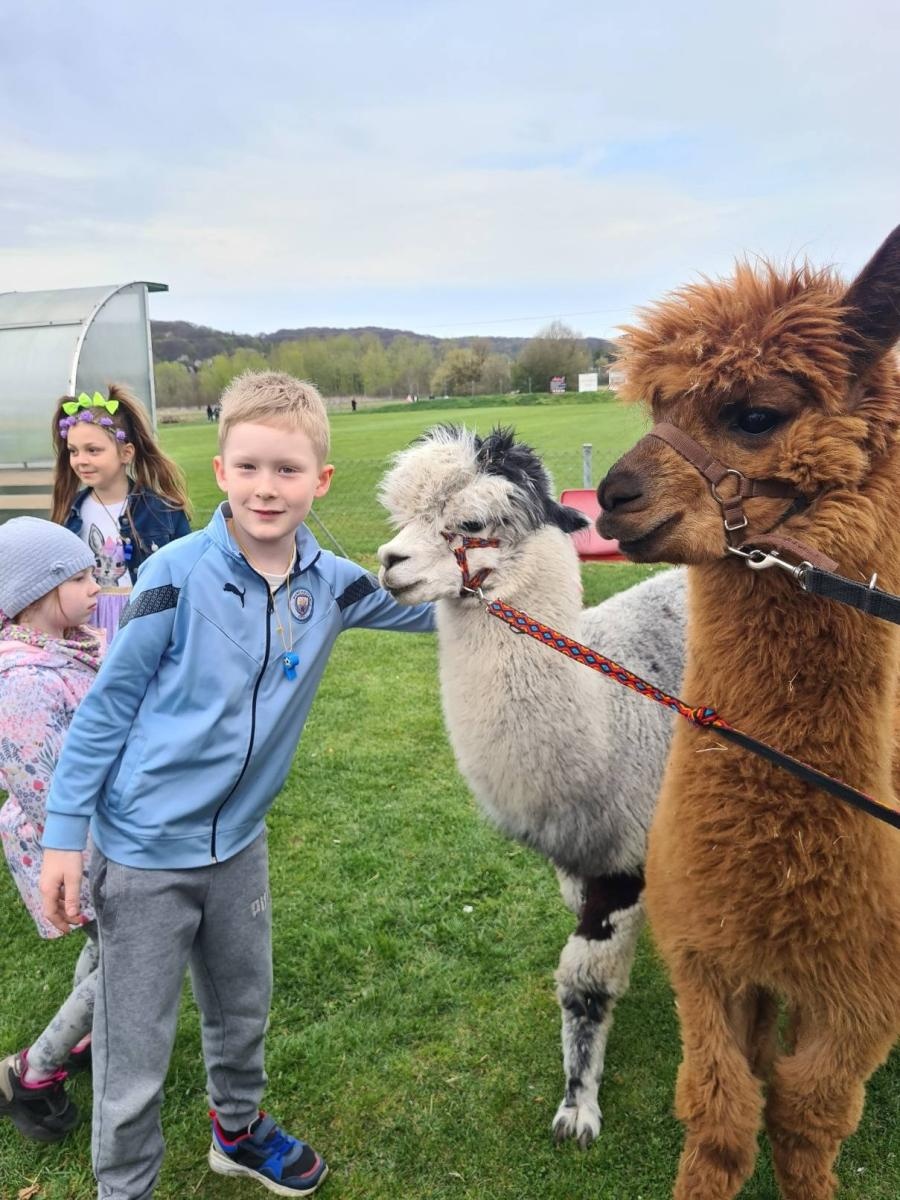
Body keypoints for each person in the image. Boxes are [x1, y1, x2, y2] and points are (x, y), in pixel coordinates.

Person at [39, 370, 435, 1199]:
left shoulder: (333, 585)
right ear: (220, 471)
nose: (267, 487)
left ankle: (240, 1131)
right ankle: (124, 1187)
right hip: (143, 854)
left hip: (239, 849)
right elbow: (107, 710)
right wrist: (66, 832)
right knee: (132, 1052)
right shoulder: (173, 575)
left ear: (320, 482)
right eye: (249, 467)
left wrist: (507, 571)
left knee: (242, 1008)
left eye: (287, 470)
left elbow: (437, 608)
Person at [0, 519, 103, 1143]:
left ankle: (87, 1037)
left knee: (109, 945)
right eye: (81, 578)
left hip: (103, 838)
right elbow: (46, 787)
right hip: (75, 846)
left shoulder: (65, 648)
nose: (97, 587)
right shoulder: (24, 682)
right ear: (38, 594)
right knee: (127, 964)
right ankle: (31, 1073)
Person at [51, 386, 192, 644]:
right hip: (87, 626)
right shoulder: (69, 513)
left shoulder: (162, 511)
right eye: (73, 451)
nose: (80, 460)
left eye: (93, 450)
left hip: (145, 623)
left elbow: (190, 577)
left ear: (126, 453)